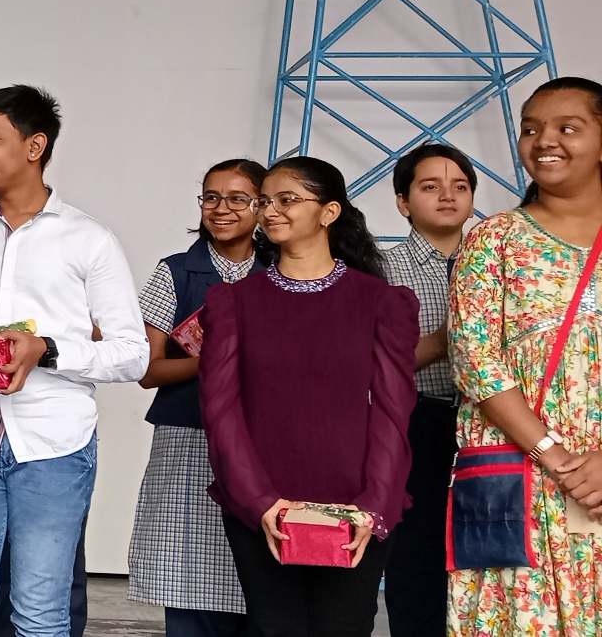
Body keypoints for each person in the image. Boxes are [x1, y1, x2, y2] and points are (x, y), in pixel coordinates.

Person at [0, 85, 146, 637]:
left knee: (40, 615)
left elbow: (133, 353)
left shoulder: (89, 240)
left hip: (55, 447)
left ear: (35, 145)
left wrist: (48, 349)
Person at [199, 156, 415, 637]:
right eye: (264, 202)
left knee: (346, 628)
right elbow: (220, 412)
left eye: (287, 199)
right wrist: (260, 502)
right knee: (274, 627)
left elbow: (393, 412)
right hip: (264, 507)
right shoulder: (233, 302)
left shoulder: (381, 302)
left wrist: (372, 506)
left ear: (329, 212)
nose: (271, 210)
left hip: (356, 506)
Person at [448, 76, 602, 635]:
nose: (544, 141)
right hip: (522, 479)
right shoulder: (493, 239)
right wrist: (557, 458)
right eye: (531, 130)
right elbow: (474, 360)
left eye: (568, 128)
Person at [126, 159, 269, 637]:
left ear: (261, 206)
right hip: (188, 441)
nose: (221, 208)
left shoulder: (279, 271)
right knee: (188, 582)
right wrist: (220, 358)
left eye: (237, 198)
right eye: (211, 197)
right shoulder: (175, 272)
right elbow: (148, 370)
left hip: (263, 444)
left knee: (260, 585)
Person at [378, 142, 476, 635]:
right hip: (416, 421)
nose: (447, 196)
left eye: (460, 187)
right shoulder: (381, 270)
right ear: (403, 202)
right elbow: (374, 362)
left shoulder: (494, 264)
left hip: (489, 423)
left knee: (484, 549)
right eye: (430, 187)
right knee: (416, 554)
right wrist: (446, 339)